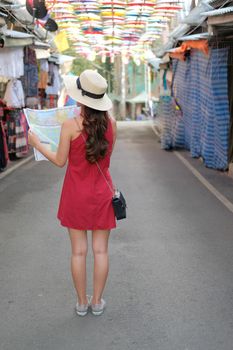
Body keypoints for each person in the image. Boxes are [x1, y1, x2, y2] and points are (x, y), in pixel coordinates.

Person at [28, 69, 117, 317]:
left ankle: (81, 302)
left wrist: (37, 144)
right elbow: (107, 159)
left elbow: (59, 161)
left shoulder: (70, 126)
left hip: (76, 194)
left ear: (80, 99)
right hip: (102, 194)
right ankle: (97, 302)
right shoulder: (112, 125)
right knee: (101, 251)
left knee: (78, 251)